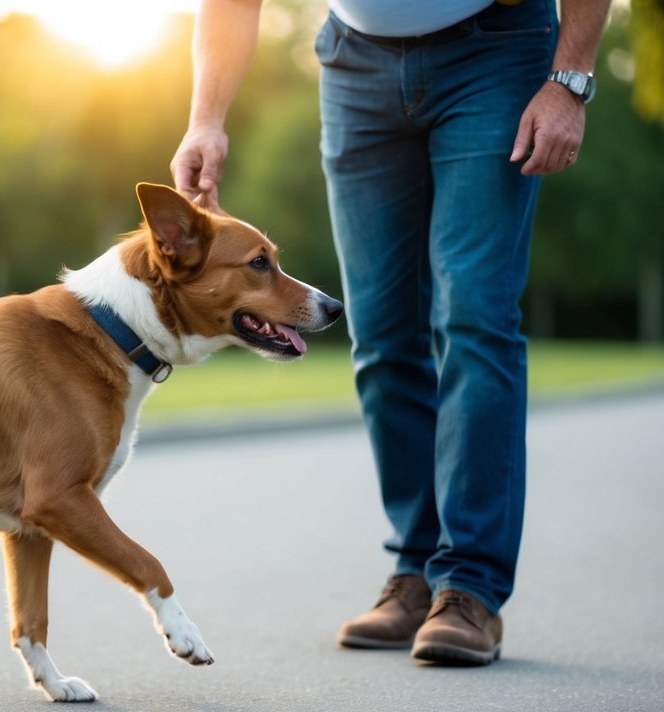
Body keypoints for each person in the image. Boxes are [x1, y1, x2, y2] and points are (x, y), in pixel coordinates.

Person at [172, 0, 612, 666]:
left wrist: (568, 79)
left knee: (473, 316)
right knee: (380, 335)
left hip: (495, 52)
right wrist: (205, 118)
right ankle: (417, 569)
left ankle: (469, 586)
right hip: (356, 65)